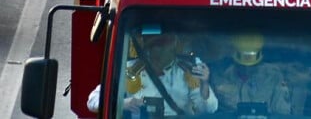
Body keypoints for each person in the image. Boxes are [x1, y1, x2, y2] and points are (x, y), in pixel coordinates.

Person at [87, 32, 218, 115]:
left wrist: (204, 85)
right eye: (155, 45)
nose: (160, 50)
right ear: (148, 48)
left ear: (174, 46)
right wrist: (123, 103)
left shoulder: (187, 73)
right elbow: (92, 101)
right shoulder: (130, 70)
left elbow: (209, 110)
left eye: (165, 44)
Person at [212, 33, 294, 114]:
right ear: (235, 58)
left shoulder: (273, 76)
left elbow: (282, 113)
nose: (247, 69)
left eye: (253, 65)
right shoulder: (224, 77)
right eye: (242, 65)